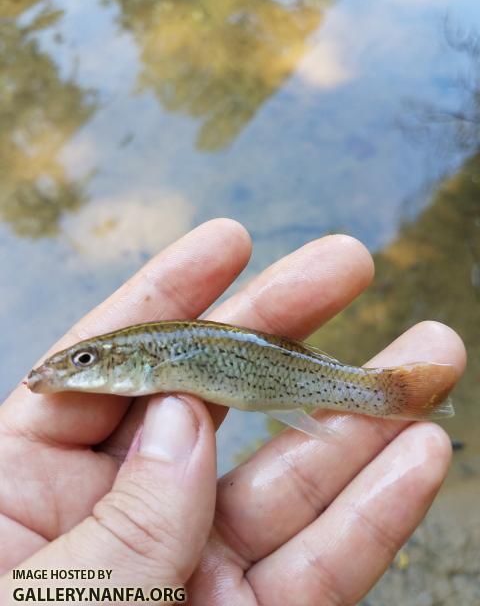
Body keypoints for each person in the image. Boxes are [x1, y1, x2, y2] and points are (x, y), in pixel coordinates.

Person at [0, 219, 466, 605]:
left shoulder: (152, 361)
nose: (76, 367)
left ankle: (391, 395)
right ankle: (392, 396)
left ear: (137, 361)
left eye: (84, 361)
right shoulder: (142, 364)